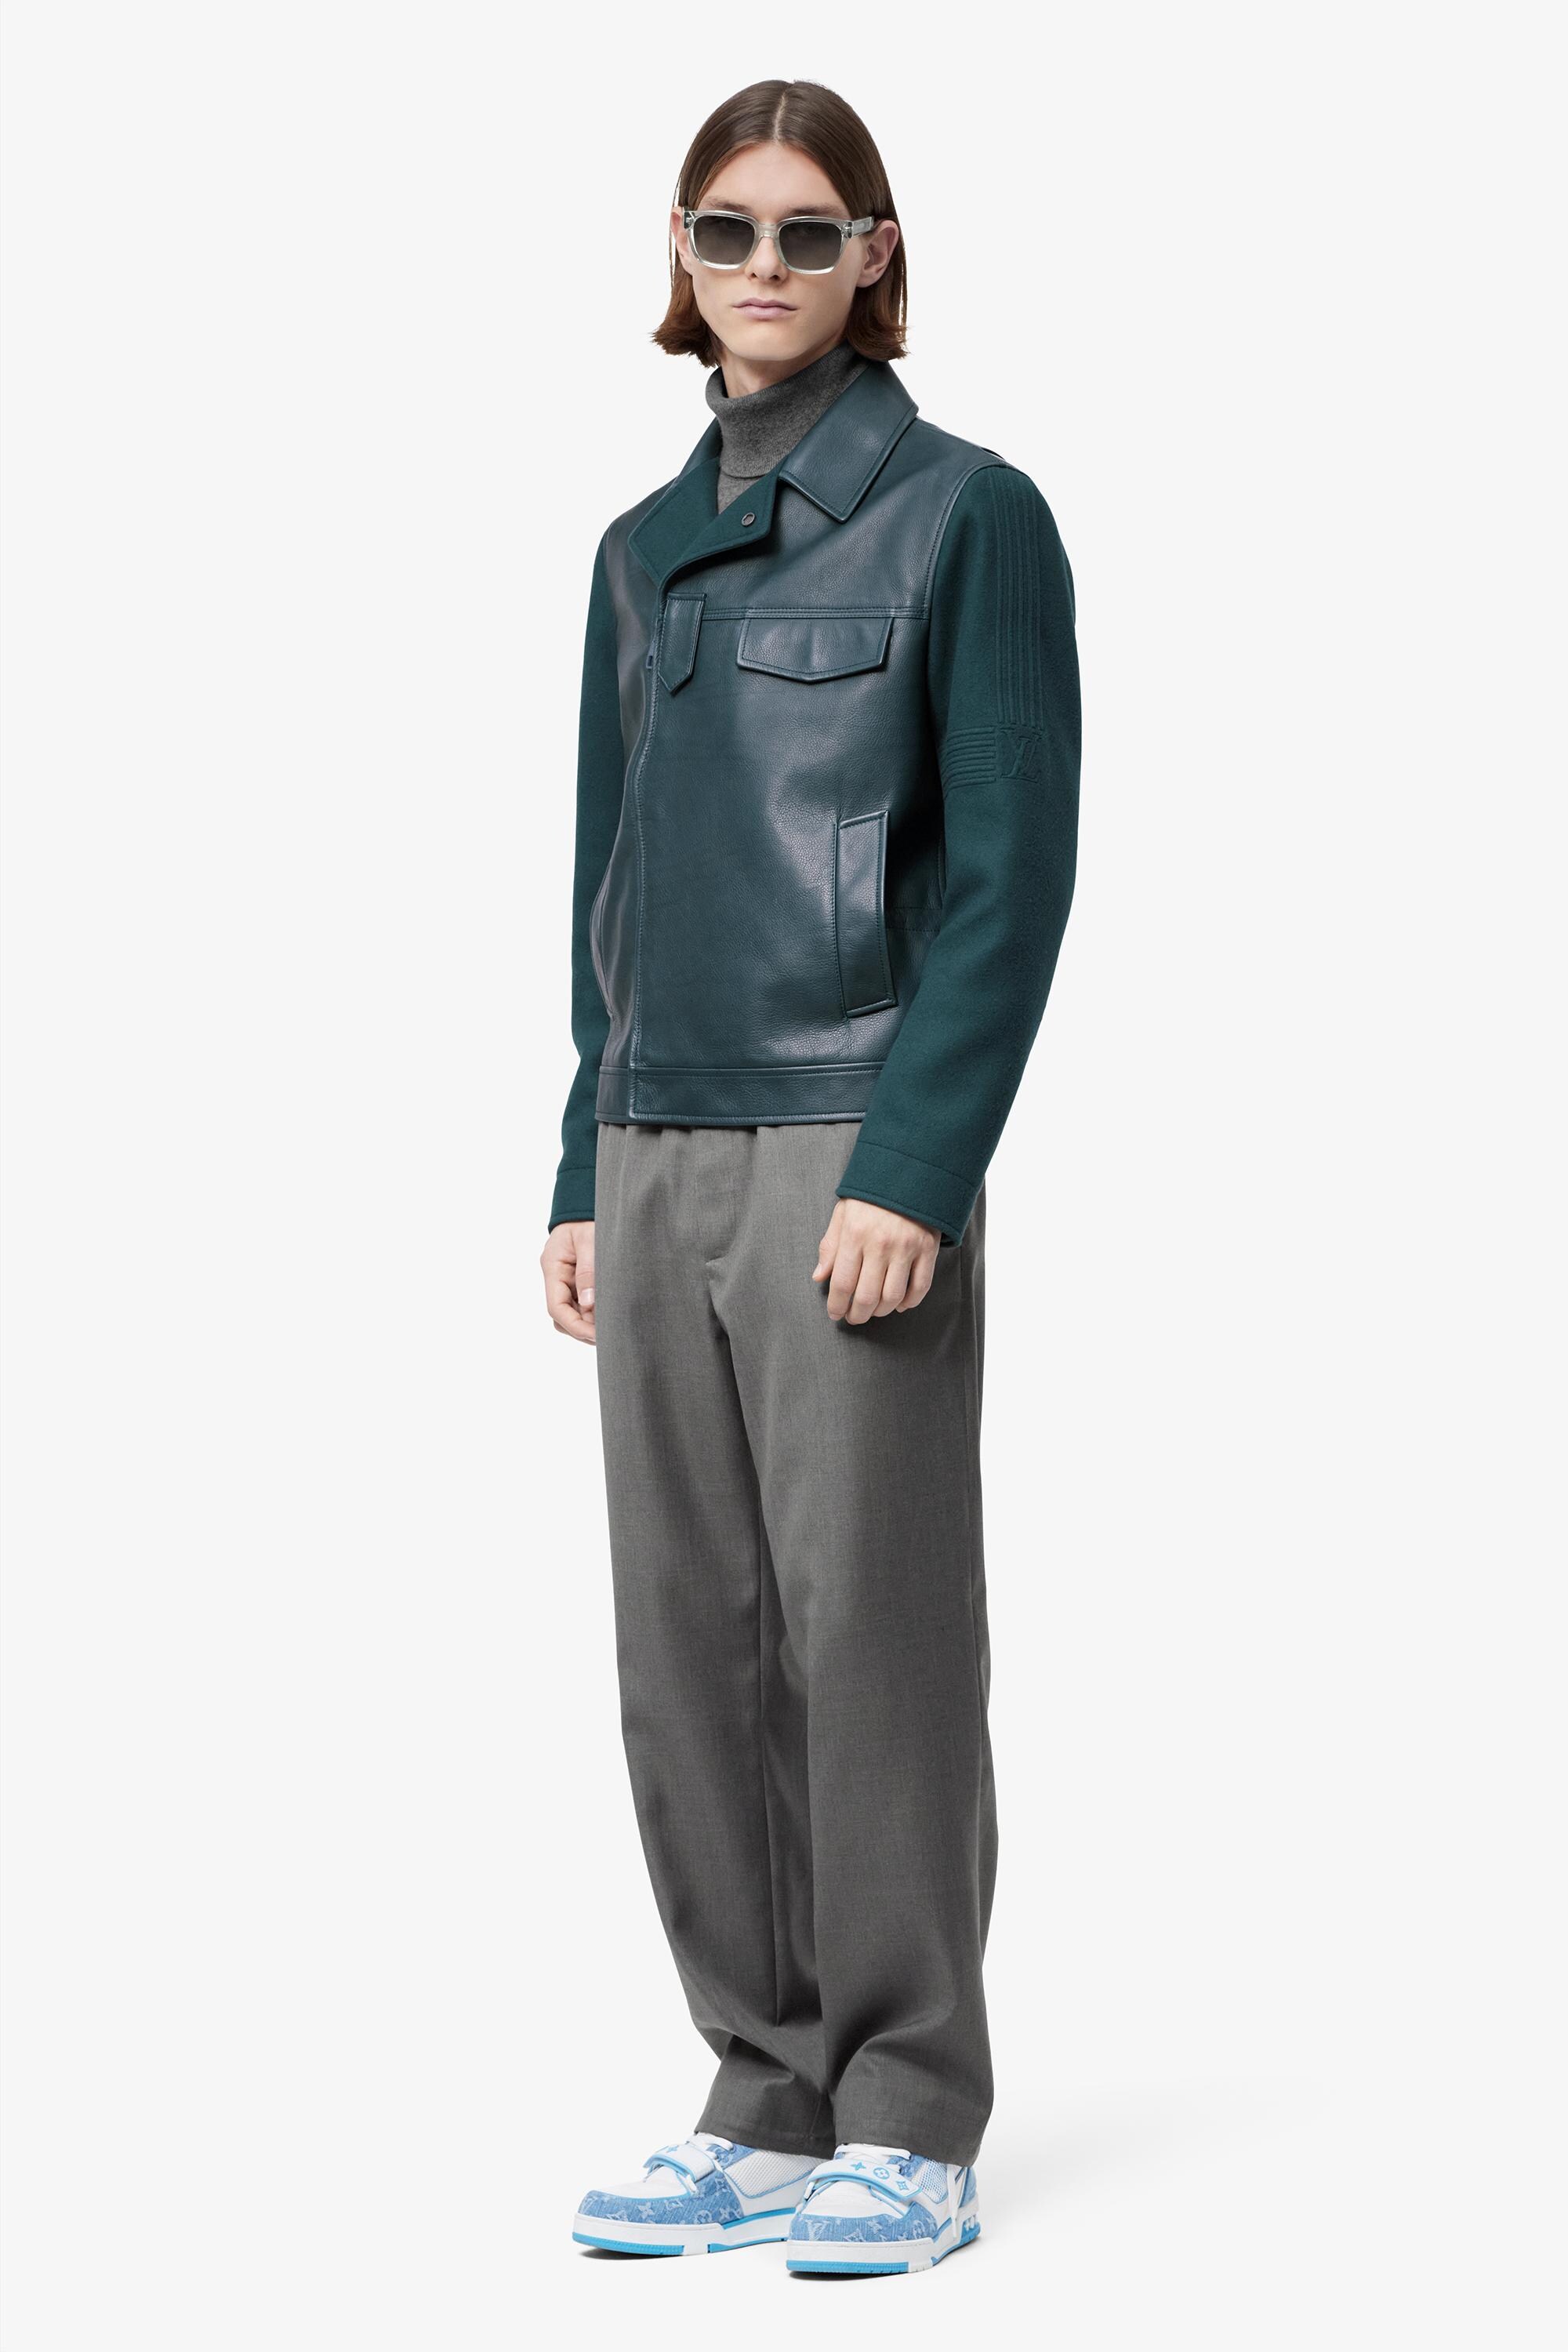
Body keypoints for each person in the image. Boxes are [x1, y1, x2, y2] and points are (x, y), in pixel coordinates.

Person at [541, 77, 1080, 2278]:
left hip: (849, 1143)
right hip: (657, 1140)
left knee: (873, 1636)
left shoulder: (969, 517)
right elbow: (607, 886)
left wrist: (917, 1164)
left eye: (805, 229)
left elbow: (1013, 880)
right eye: (726, 228)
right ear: (682, 258)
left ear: (876, 253)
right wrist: (580, 1159)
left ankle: (910, 2105)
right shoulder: (633, 553)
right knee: (692, 1639)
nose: (762, 266)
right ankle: (762, 2088)